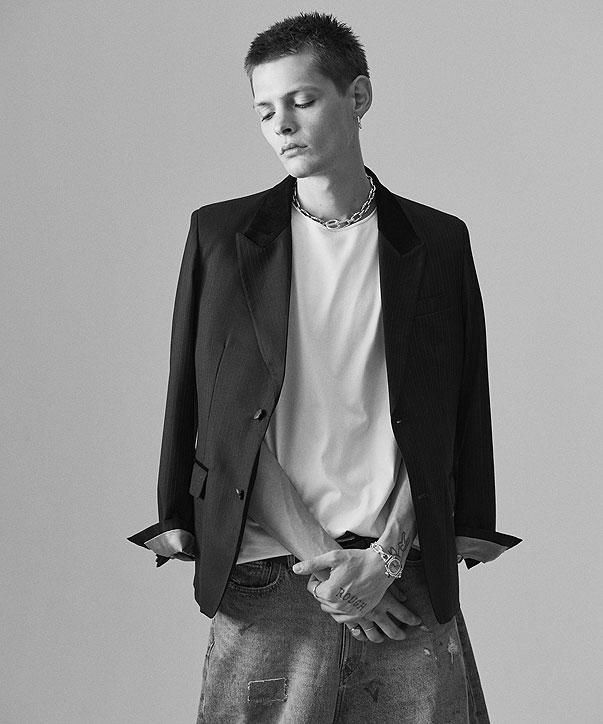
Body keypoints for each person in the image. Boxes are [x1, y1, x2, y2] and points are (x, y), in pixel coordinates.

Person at [128, 11, 521, 723]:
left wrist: (384, 560)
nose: (281, 125)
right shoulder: (221, 237)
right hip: (267, 576)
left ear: (358, 97)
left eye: (302, 101)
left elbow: (452, 416)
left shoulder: (436, 242)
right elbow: (220, 419)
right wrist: (331, 572)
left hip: (400, 572)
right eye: (264, 111)